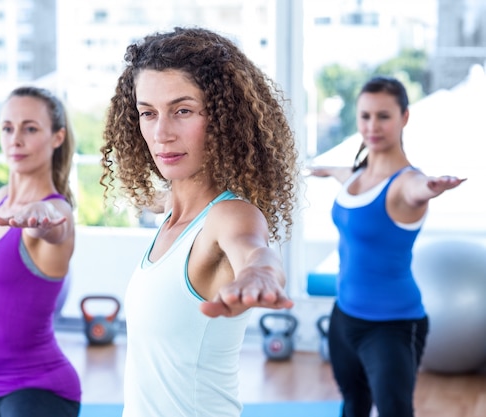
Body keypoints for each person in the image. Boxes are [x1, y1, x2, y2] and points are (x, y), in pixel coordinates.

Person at [100, 27, 299, 417]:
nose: (161, 133)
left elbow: (253, 249)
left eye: (183, 110)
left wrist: (259, 275)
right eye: (148, 113)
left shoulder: (228, 215)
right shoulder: (173, 216)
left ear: (226, 118)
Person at [308, 76, 465, 417]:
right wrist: (319, 169)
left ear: (404, 117)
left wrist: (431, 187)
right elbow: (342, 173)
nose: (372, 126)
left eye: (383, 116)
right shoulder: (355, 175)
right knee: (353, 405)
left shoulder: (406, 183)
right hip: (344, 316)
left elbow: (416, 188)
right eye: (365, 116)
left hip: (391, 327)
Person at [0, 86, 81, 417]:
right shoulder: (2, 201)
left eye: (30, 128)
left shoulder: (54, 212)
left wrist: (41, 218)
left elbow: (54, 225)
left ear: (57, 137)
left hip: (37, 395)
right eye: (8, 128)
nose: (15, 139)